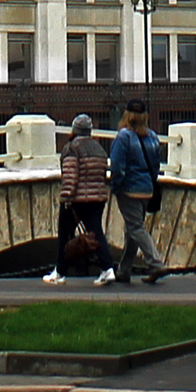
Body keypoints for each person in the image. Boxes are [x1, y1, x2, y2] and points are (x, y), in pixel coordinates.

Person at [42, 113, 109, 285]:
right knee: (97, 233)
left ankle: (60, 272)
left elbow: (71, 177)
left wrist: (66, 199)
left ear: (74, 130)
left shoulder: (71, 148)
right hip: (98, 198)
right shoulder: (99, 149)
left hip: (78, 200)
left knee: (65, 235)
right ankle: (107, 269)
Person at [107, 101, 168, 285]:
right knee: (132, 228)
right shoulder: (153, 137)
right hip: (147, 189)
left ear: (126, 116)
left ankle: (156, 263)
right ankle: (124, 270)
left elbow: (117, 167)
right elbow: (157, 165)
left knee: (135, 228)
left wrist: (116, 187)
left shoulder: (123, 137)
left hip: (129, 190)